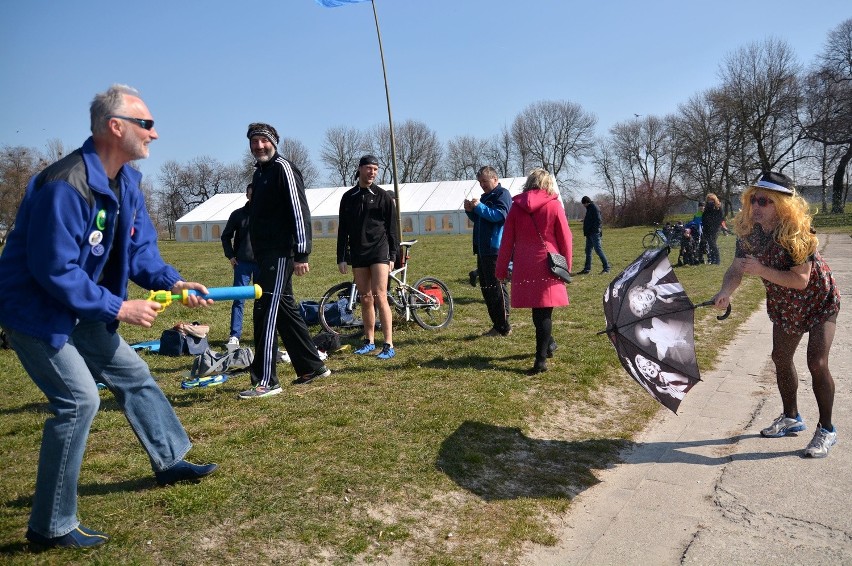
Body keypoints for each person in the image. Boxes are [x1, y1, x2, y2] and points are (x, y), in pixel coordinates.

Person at [0, 84, 218, 549]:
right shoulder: (66, 185)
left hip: (84, 308)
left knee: (134, 373)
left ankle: (171, 460)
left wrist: (171, 282)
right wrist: (119, 306)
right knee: (79, 401)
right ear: (116, 127)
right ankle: (49, 527)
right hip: (36, 311)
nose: (155, 134)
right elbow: (52, 269)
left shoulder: (128, 184)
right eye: (147, 124)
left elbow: (139, 252)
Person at [711, 171, 841, 458]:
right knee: (780, 358)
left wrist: (761, 270)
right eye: (753, 199)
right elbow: (736, 268)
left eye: (765, 201)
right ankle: (791, 417)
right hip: (786, 304)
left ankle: (827, 429)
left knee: (816, 362)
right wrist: (726, 291)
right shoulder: (748, 233)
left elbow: (801, 279)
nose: (756, 206)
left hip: (818, 300)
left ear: (783, 205)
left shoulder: (798, 233)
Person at [240, 122, 331, 398]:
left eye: (263, 141)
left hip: (281, 253)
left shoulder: (283, 169)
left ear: (274, 142)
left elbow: (299, 210)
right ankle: (312, 366)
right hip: (264, 255)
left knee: (265, 311)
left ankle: (266, 381)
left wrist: (302, 252)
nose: (259, 147)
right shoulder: (259, 175)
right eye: (254, 142)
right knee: (284, 310)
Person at [496, 169, 572, 374]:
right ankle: (540, 360)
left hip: (524, 264)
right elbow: (566, 239)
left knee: (537, 313)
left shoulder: (515, 208)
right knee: (544, 312)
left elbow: (506, 242)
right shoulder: (554, 205)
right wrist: (567, 266)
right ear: (548, 184)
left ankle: (548, 347)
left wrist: (501, 269)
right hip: (548, 262)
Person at [336, 155, 399, 359]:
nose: (372, 172)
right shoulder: (348, 197)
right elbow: (342, 229)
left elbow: (392, 229)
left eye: (375, 169)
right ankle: (369, 340)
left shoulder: (383, 197)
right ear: (360, 169)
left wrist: (393, 255)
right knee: (365, 298)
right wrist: (341, 256)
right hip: (358, 252)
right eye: (369, 168)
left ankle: (388, 344)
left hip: (379, 251)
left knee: (380, 295)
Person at [464, 166, 513, 337]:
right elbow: (481, 219)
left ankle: (504, 326)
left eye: (485, 181)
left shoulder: (503, 194)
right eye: (480, 182)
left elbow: (499, 216)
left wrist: (479, 208)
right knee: (487, 288)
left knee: (497, 287)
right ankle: (497, 324)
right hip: (483, 249)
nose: (482, 185)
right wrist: (470, 211)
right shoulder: (485, 197)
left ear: (495, 179)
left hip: (496, 248)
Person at [221, 183, 259, 351]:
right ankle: (235, 335)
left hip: (262, 264)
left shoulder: (266, 215)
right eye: (251, 195)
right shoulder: (237, 215)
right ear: (247, 195)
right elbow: (225, 236)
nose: (254, 197)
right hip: (242, 263)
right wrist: (230, 256)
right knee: (239, 300)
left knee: (262, 300)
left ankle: (262, 333)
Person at [577, 195, 610, 274]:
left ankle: (607, 268)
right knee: (588, 251)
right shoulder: (589, 208)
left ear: (586, 202)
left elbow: (598, 221)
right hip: (589, 233)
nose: (584, 206)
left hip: (594, 233)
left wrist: (594, 230)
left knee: (598, 250)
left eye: (583, 204)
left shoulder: (594, 208)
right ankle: (587, 269)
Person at [701, 193, 724, 265]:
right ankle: (713, 259)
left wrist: (716, 226)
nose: (710, 201)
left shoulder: (718, 207)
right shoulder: (706, 208)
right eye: (709, 200)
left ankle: (717, 259)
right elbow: (704, 218)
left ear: (715, 200)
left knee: (713, 243)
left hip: (715, 228)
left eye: (712, 200)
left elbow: (720, 218)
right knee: (710, 244)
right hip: (707, 228)